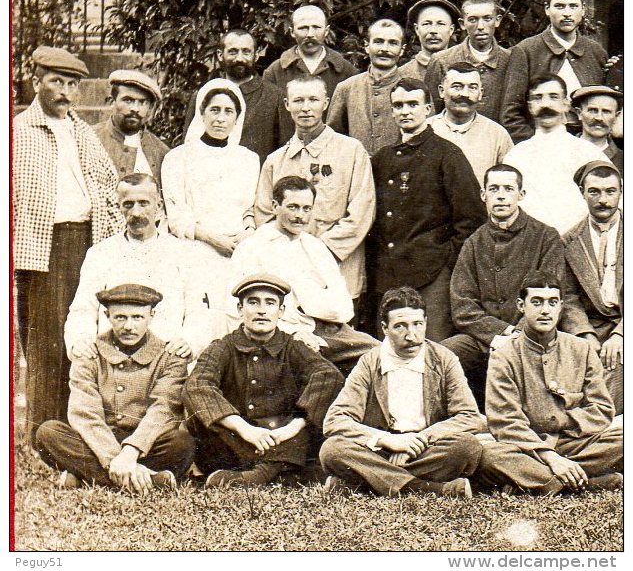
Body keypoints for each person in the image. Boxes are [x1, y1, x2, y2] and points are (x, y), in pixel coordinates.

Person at [13, 45, 124, 444]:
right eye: (56, 82)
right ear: (36, 81)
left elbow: (108, 186)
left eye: (72, 84)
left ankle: (78, 427)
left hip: (88, 242)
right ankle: (43, 430)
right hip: (42, 247)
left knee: (84, 334)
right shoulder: (17, 132)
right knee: (45, 340)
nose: (64, 92)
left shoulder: (83, 132)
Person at [320, 286, 484, 498]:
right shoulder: (370, 362)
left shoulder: (444, 359)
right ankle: (426, 489)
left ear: (425, 323)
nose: (411, 335)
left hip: (425, 449)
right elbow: (335, 420)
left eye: (418, 324)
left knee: (467, 447)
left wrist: (418, 440)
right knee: (332, 450)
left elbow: (469, 417)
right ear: (384, 328)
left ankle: (363, 484)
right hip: (380, 450)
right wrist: (385, 440)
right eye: (400, 326)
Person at [183, 273, 344, 487]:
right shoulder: (222, 347)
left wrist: (293, 427)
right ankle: (284, 474)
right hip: (235, 439)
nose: (261, 310)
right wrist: (244, 429)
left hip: (282, 438)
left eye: (270, 303)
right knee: (203, 421)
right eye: (253, 302)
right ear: (240, 310)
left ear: (281, 311)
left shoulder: (293, 347)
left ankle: (255, 477)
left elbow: (329, 377)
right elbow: (196, 386)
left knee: (304, 434)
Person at [35, 284, 196, 491]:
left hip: (145, 444)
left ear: (152, 315)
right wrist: (114, 459)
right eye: (120, 317)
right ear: (107, 315)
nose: (129, 326)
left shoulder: (169, 357)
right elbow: (85, 413)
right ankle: (147, 479)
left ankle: (87, 476)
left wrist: (131, 452)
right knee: (48, 433)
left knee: (182, 442)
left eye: (137, 317)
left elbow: (164, 409)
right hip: (98, 441)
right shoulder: (90, 354)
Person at [477, 271, 623, 495]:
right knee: (490, 456)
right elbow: (504, 421)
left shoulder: (581, 349)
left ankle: (538, 481)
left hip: (574, 442)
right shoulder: (504, 355)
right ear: (521, 306)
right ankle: (588, 483)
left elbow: (602, 410)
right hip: (527, 447)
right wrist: (549, 456)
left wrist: (558, 428)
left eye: (552, 302)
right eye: (536, 302)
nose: (545, 310)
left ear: (561, 307)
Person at [367, 78, 486, 341]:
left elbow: (472, 219)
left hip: (431, 275)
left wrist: (445, 265)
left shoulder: (448, 155)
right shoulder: (383, 158)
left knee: (430, 348)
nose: (405, 111)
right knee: (390, 351)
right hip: (388, 275)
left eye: (412, 104)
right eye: (398, 105)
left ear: (429, 109)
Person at [230, 176, 378, 376]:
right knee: (324, 375)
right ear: (275, 206)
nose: (300, 216)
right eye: (293, 207)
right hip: (284, 334)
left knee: (382, 356)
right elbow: (239, 311)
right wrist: (294, 331)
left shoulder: (315, 246)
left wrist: (308, 303)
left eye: (307, 208)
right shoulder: (252, 248)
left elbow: (344, 308)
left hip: (331, 331)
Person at [443, 164, 564, 409]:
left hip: (533, 335)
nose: (500, 195)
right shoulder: (474, 243)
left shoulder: (545, 237)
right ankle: (459, 418)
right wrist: (499, 333)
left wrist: (517, 335)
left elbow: (548, 300)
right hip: (485, 338)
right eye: (494, 188)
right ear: (483, 195)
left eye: (508, 189)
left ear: (521, 195)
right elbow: (463, 307)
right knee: (443, 355)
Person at [65, 173, 213, 362]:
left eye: (144, 203)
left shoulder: (183, 253)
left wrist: (190, 341)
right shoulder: (101, 253)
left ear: (158, 207)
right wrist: (80, 341)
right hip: (113, 362)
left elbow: (199, 312)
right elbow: (82, 310)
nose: (136, 213)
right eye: (128, 204)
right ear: (119, 207)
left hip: (166, 361)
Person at [254, 75, 375, 302]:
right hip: (288, 274)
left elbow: (361, 212)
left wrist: (320, 252)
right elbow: (264, 215)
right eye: (298, 101)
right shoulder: (275, 161)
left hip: (338, 270)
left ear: (326, 103)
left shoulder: (351, 151)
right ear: (287, 105)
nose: (306, 108)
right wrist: (289, 253)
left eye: (313, 100)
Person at [162, 78, 260, 340]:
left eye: (228, 112)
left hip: (238, 251)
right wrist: (214, 239)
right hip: (194, 250)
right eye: (214, 110)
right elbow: (177, 217)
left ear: (237, 117)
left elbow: (250, 209)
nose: (221, 118)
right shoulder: (177, 158)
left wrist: (247, 235)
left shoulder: (248, 160)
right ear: (202, 113)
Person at [501, 0, 608, 142]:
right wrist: (537, 145)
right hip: (542, 142)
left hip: (589, 144)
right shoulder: (526, 50)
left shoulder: (596, 52)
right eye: (559, 6)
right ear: (547, 9)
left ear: (583, 10)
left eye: (573, 6)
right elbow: (510, 115)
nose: (567, 13)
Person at [503, 74, 610, 235]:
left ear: (566, 104)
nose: (545, 104)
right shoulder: (516, 156)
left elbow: (614, 201)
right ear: (530, 106)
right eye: (538, 98)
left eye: (553, 97)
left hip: (578, 243)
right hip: (531, 244)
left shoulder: (589, 153)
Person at [560, 161, 623, 415]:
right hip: (592, 327)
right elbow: (569, 296)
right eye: (594, 191)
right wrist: (585, 334)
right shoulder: (569, 239)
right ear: (582, 192)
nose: (603, 200)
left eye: (611, 191)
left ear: (622, 191)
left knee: (615, 365)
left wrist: (620, 335)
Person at [182, 29, 293, 163]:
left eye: (246, 52)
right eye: (233, 51)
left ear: (256, 55)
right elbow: (188, 145)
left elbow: (284, 152)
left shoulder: (275, 97)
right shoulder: (204, 94)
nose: (239, 58)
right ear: (220, 55)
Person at [425, 0, 510, 123]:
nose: (480, 27)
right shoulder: (442, 60)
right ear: (462, 24)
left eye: (487, 19)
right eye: (472, 19)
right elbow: (431, 114)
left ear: (497, 20)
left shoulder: (511, 60)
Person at [327, 18, 405, 155]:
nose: (384, 49)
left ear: (402, 49)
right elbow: (333, 138)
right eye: (378, 42)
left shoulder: (415, 88)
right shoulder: (346, 88)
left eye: (393, 43)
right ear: (366, 46)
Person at [428, 62, 514, 186]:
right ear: (441, 91)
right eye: (457, 87)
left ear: (481, 93)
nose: (465, 94)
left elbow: (507, 183)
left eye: (472, 87)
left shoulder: (497, 135)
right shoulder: (425, 129)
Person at [93, 70, 169, 192]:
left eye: (143, 102)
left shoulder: (160, 151)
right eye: (128, 100)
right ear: (112, 102)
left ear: (150, 108)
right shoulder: (90, 140)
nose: (135, 109)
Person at [263, 5, 357, 99]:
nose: (310, 34)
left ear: (326, 31)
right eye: (303, 28)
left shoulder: (347, 71)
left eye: (316, 27)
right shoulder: (274, 72)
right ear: (292, 32)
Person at [399, 0, 460, 83]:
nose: (433, 31)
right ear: (417, 29)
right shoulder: (402, 74)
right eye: (426, 24)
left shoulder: (466, 70)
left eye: (440, 24)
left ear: (451, 30)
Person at [571, 85, 623, 175]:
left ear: (616, 117)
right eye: (593, 110)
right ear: (579, 113)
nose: (599, 118)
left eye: (606, 111)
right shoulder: (562, 152)